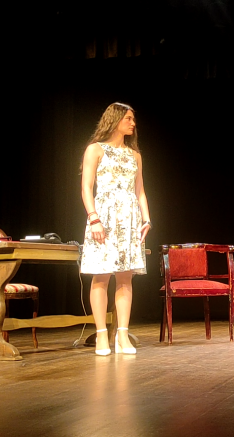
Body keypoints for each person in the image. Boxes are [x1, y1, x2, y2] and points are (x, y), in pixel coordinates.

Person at [80, 102, 151, 356]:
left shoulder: (135, 155)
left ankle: (122, 335)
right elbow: (86, 187)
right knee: (101, 275)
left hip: (129, 220)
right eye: (128, 118)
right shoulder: (95, 149)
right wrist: (94, 218)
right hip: (104, 218)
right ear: (115, 119)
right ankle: (101, 335)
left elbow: (140, 190)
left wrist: (147, 220)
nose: (133, 123)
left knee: (125, 277)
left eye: (133, 119)